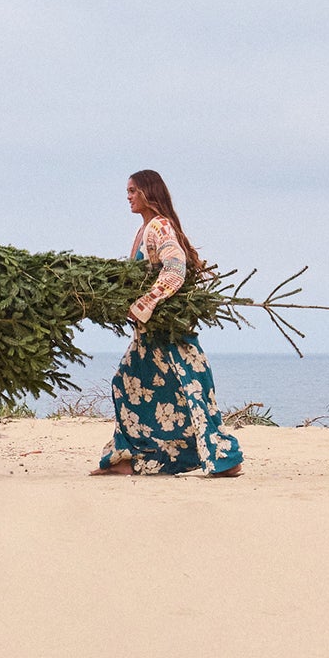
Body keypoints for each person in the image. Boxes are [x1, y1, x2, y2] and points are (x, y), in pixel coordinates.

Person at [93, 169, 244, 478]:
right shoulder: (144, 230)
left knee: (192, 392)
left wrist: (146, 303)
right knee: (125, 384)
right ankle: (128, 457)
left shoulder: (159, 227)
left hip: (169, 336)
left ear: (149, 192)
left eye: (133, 190)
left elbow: (175, 269)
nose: (129, 196)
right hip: (148, 337)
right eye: (128, 190)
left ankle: (225, 460)